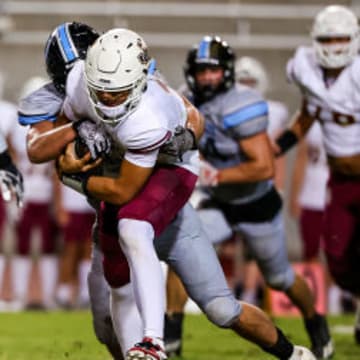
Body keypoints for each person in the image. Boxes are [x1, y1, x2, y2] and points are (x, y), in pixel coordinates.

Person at [58, 28, 317, 360]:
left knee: (222, 309)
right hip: (128, 201)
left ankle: (291, 354)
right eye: (101, 90)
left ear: (137, 83)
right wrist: (64, 149)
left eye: (118, 92)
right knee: (108, 314)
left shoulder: (149, 115)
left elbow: (124, 189)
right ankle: (145, 347)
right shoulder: (81, 85)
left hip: (160, 200)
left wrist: (71, 176)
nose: (107, 99)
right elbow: (53, 134)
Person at [164, 35, 333, 360]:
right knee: (181, 251)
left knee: (280, 277)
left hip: (256, 204)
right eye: (201, 71)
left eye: (213, 70)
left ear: (227, 72)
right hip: (220, 202)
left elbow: (263, 167)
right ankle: (171, 335)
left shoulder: (243, 105)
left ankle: (316, 322)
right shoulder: (185, 100)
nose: (207, 77)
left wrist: (217, 175)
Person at [18, 21, 123, 359]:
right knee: (105, 320)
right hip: (107, 209)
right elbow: (38, 149)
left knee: (214, 304)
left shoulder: (130, 94)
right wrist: (74, 132)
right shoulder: (56, 103)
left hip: (140, 202)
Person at [274, 4, 360, 344]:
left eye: (342, 38)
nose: (335, 45)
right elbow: (308, 114)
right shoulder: (307, 69)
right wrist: (277, 147)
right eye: (329, 38)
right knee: (337, 259)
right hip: (338, 182)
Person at [234, 56, 290, 306]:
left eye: (250, 81)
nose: (246, 86)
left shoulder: (273, 112)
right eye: (241, 81)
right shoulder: (223, 108)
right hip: (229, 184)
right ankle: (228, 289)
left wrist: (279, 186)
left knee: (256, 245)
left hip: (258, 186)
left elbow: (276, 152)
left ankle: (249, 292)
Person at [8, 76, 58, 310]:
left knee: (48, 246)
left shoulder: (54, 126)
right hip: (27, 193)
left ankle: (47, 296)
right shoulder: (18, 129)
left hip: (44, 194)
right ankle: (20, 296)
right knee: (23, 246)